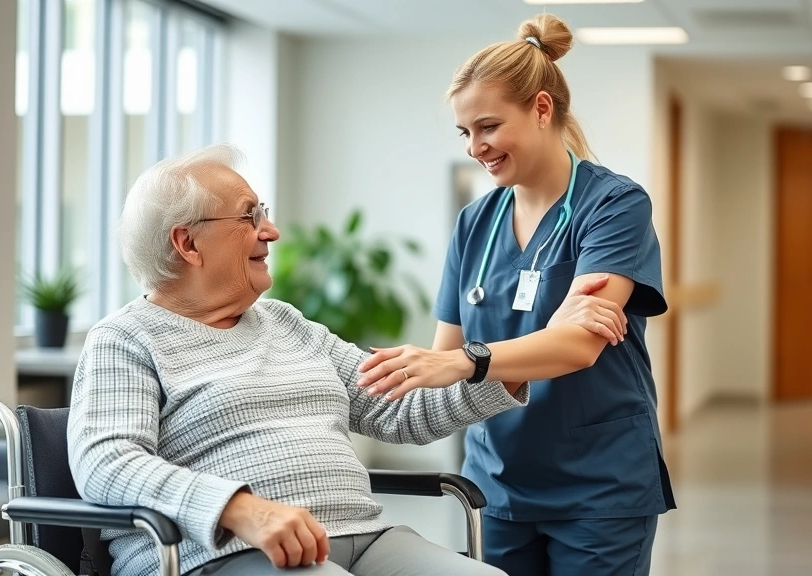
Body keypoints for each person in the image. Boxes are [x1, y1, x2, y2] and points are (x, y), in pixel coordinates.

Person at [66, 143, 628, 576]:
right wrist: (242, 510)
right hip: (220, 550)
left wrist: (523, 352)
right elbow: (107, 461)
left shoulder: (286, 323)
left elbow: (394, 411)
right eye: (249, 216)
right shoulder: (126, 339)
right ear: (187, 244)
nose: (272, 230)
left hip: (364, 535)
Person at [356, 14, 675, 576]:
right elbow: (447, 358)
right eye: (465, 133)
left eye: (488, 127)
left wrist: (471, 360)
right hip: (497, 481)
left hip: (599, 485)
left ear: (543, 109)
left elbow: (577, 347)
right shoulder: (474, 223)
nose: (476, 147)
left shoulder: (613, 206)